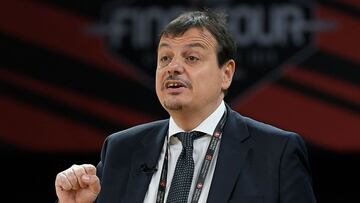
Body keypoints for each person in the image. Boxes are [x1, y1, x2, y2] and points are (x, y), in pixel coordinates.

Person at [55, 9, 316, 203]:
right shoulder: (121, 150)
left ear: (226, 74)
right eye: (165, 57)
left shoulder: (276, 152)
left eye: (191, 57)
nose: (173, 67)